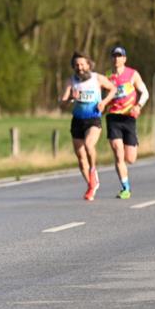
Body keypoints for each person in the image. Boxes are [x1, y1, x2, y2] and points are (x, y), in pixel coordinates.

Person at [60, 52, 116, 201]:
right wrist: (71, 97)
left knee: (88, 145)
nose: (80, 67)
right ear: (73, 66)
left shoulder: (97, 78)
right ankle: (91, 185)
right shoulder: (71, 82)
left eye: (82, 64)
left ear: (88, 65)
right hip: (77, 120)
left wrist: (104, 102)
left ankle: (93, 171)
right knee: (80, 157)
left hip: (93, 119)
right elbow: (61, 103)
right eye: (77, 65)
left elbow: (113, 89)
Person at [104, 46, 149, 199]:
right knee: (118, 153)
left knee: (130, 158)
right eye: (114, 56)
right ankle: (125, 188)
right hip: (113, 117)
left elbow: (145, 92)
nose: (116, 59)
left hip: (129, 117)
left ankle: (134, 141)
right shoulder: (107, 76)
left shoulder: (132, 74)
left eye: (119, 56)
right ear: (111, 58)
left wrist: (138, 106)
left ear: (124, 59)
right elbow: (102, 96)